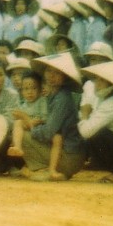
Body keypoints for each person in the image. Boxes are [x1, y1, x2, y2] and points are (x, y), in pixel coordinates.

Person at [18, 53, 86, 181]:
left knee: (23, 135)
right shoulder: (52, 95)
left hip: (69, 157)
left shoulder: (62, 98)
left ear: (64, 78)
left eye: (57, 73)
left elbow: (49, 132)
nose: (51, 76)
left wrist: (31, 125)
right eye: (49, 71)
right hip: (67, 154)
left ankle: (45, 170)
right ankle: (52, 170)